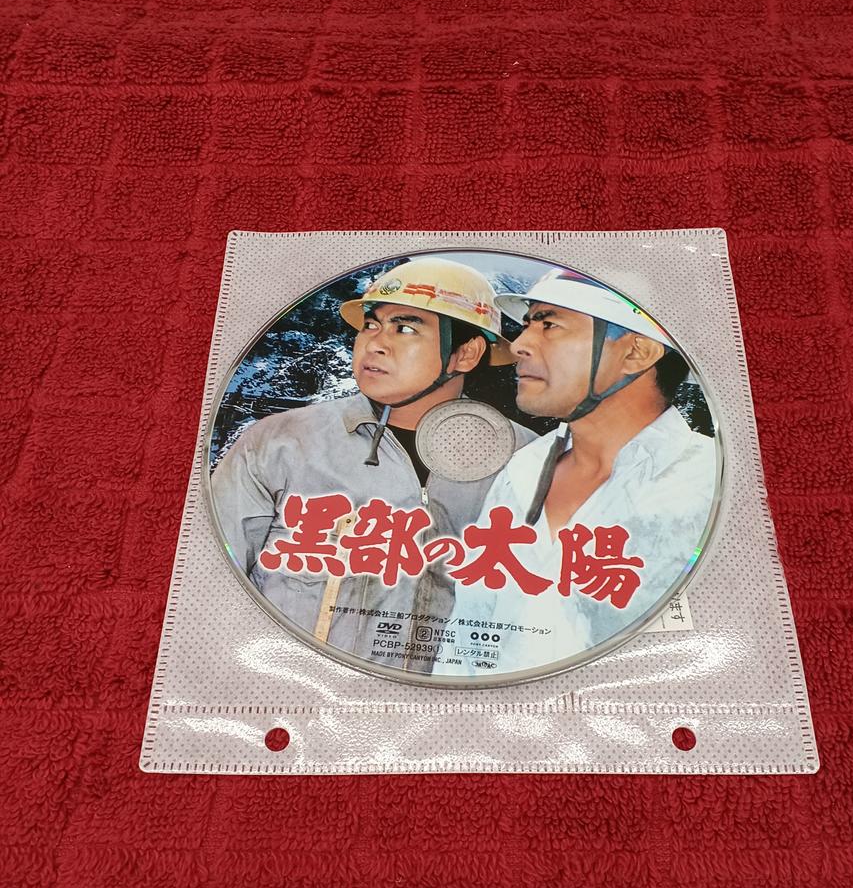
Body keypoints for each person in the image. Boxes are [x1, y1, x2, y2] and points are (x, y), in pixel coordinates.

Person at [210, 257, 534, 674]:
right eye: (370, 325)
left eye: (406, 328)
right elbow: (210, 580)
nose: (374, 344)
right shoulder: (280, 442)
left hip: (446, 703)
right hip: (295, 688)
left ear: (466, 353)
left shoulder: (529, 461)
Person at [434, 268, 719, 679]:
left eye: (549, 325)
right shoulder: (523, 469)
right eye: (527, 325)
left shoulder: (706, 482)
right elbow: (467, 633)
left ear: (636, 353)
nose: (519, 345)